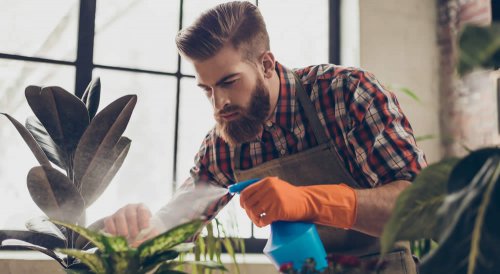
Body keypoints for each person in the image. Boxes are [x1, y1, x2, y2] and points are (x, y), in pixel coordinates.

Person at [104, 1, 426, 273]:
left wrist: (309, 201)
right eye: (208, 89)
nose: (219, 104)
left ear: (267, 64)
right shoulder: (223, 144)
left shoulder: (347, 94)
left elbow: (420, 208)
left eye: (229, 82)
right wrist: (144, 230)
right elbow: (181, 218)